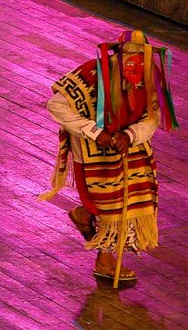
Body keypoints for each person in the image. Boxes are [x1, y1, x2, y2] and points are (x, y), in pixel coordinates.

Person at [42, 29, 179, 282]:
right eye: (130, 56)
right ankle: (95, 235)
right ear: (117, 55)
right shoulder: (91, 74)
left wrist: (130, 136)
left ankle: (104, 257)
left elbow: (152, 118)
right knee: (105, 206)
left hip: (130, 143)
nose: (135, 62)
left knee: (133, 202)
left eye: (141, 57)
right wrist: (93, 131)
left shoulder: (150, 77)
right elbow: (56, 105)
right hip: (91, 148)